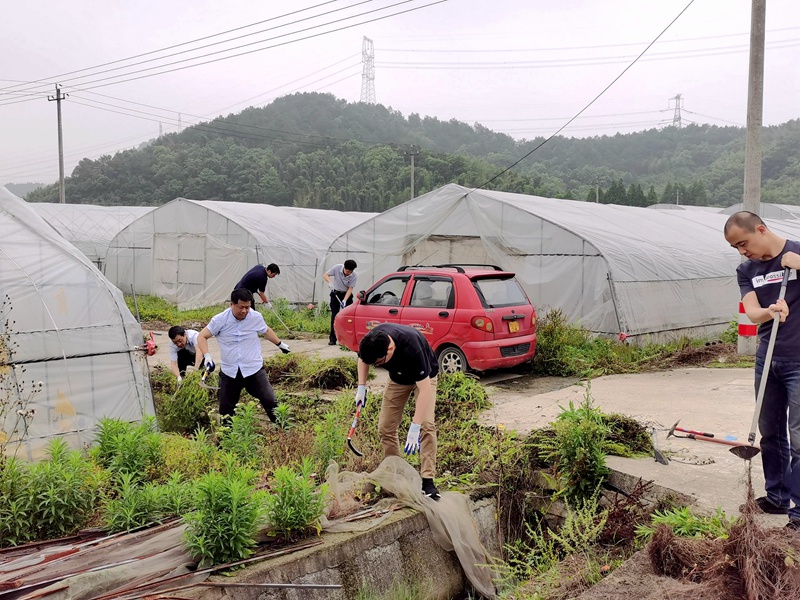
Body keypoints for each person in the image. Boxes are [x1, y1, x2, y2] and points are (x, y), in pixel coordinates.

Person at [724, 211, 800, 529]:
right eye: (736, 248)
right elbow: (753, 312)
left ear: (760, 229)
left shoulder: (797, 250)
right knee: (771, 434)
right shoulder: (747, 269)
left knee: (799, 438)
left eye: (744, 243)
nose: (743, 251)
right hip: (767, 360)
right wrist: (770, 311)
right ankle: (777, 496)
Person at [355, 323, 441, 500]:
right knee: (385, 427)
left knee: (426, 424)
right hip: (397, 380)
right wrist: (361, 387)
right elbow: (363, 360)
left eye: (379, 362)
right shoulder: (371, 341)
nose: (377, 366)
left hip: (425, 379)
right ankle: (396, 473)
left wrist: (415, 425)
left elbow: (424, 390)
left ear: (391, 348)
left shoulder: (412, 346)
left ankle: (428, 480)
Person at [197, 288, 290, 422]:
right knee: (226, 410)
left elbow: (266, 331)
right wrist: (207, 356)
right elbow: (202, 336)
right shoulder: (220, 320)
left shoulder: (255, 317)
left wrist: (280, 344)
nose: (245, 311)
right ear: (231, 304)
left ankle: (285, 430)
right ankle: (226, 440)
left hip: (254, 369)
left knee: (270, 400)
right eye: (241, 307)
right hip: (230, 372)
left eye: (248, 307)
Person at [323, 259, 358, 345]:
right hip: (335, 293)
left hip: (346, 295)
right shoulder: (337, 268)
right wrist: (330, 282)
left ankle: (347, 340)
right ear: (344, 267)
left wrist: (345, 300)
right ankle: (332, 339)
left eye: (350, 271)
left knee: (348, 318)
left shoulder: (354, 275)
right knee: (335, 316)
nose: (348, 273)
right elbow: (325, 275)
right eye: (347, 271)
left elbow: (350, 289)